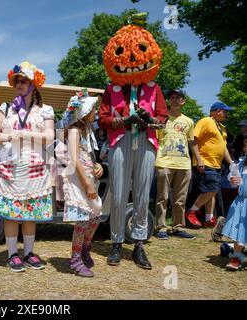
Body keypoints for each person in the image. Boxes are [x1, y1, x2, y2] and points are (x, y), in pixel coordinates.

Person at [98, 13, 168, 269]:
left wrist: (148, 120)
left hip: (146, 141)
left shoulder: (154, 88)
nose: (131, 60)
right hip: (120, 141)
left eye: (138, 53)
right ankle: (116, 242)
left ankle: (138, 243)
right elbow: (103, 118)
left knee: (141, 193)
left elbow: (163, 117)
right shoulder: (111, 89)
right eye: (123, 54)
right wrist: (122, 121)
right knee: (117, 194)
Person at [0, 61, 54, 272]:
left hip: (34, 168)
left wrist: (27, 135)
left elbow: (50, 136)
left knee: (29, 213)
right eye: (17, 80)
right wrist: (7, 136)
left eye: (23, 80)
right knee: (11, 213)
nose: (19, 84)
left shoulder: (45, 110)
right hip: (10, 166)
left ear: (34, 84)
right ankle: (12, 254)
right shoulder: (5, 108)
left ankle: (28, 252)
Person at [59, 90, 103, 277]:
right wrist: (87, 184)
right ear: (84, 113)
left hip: (87, 177)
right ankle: (75, 259)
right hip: (79, 180)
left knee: (95, 215)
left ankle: (85, 247)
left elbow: (87, 157)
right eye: (93, 109)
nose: (96, 112)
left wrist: (97, 166)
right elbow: (75, 159)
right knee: (83, 219)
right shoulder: (75, 131)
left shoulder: (87, 132)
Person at [154, 90, 200, 240]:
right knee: (163, 197)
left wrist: (199, 159)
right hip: (164, 162)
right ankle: (161, 227)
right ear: (169, 101)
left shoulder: (189, 121)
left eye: (177, 97)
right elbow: (155, 140)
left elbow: (192, 141)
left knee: (180, 199)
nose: (174, 100)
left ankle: (178, 227)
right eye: (172, 97)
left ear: (183, 101)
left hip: (184, 164)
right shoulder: (161, 119)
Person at [185, 102, 235, 228]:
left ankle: (209, 219)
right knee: (211, 190)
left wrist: (231, 163)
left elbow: (223, 148)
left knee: (212, 192)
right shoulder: (205, 121)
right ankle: (191, 211)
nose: (226, 114)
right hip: (205, 162)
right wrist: (199, 159)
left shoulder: (221, 127)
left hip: (217, 165)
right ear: (217, 111)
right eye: (225, 111)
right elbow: (193, 139)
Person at [221, 138, 247, 270]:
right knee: (239, 231)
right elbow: (233, 180)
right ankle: (236, 256)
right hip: (241, 202)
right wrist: (233, 180)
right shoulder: (241, 164)